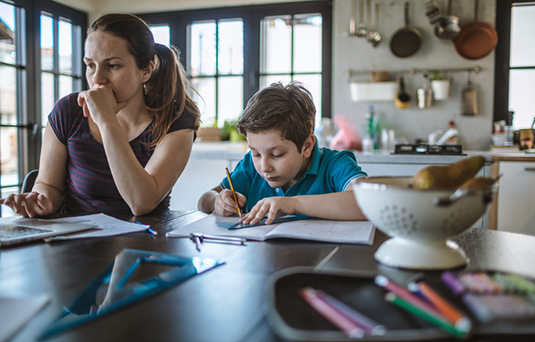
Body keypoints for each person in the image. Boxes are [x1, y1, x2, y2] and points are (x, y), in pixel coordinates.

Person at [0, 13, 200, 217]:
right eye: (90, 65)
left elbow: (141, 202)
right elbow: (48, 185)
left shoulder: (176, 119)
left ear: (146, 70)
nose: (97, 79)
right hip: (77, 240)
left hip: (146, 242)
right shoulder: (68, 111)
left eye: (112, 66)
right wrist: (42, 199)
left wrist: (107, 121)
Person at [198, 81, 367, 225]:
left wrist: (292, 204)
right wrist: (217, 201)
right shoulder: (250, 166)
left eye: (277, 154)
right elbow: (204, 200)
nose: (264, 167)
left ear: (307, 146)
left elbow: (366, 202)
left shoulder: (335, 164)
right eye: (256, 153)